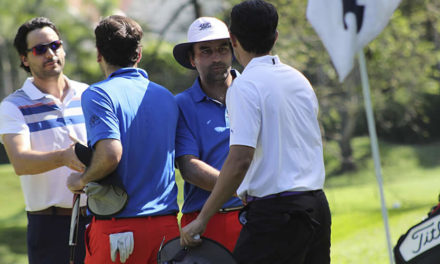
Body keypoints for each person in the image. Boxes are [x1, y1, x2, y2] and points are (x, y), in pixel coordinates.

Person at [180, 1, 332, 264]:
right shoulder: (298, 79)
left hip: (276, 213)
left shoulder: (244, 86)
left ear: (233, 40)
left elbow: (240, 160)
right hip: (317, 204)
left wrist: (202, 219)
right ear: (275, 37)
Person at [66, 15, 180, 264]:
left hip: (119, 232)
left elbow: (110, 154)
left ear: (99, 54)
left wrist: (81, 179)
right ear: (138, 54)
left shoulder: (97, 94)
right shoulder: (167, 97)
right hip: (168, 229)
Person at [0, 17, 89, 264]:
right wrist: (64, 157)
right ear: (24, 59)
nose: (50, 53)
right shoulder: (12, 106)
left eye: (55, 45)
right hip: (49, 227)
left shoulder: (89, 94)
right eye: (40, 49)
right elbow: (20, 162)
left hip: (98, 218)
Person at [173, 16, 243, 252]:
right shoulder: (181, 104)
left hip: (257, 216)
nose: (216, 58)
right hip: (204, 224)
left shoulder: (253, 91)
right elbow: (189, 167)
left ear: (232, 51)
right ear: (192, 59)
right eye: (205, 51)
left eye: (222, 49)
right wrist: (239, 187)